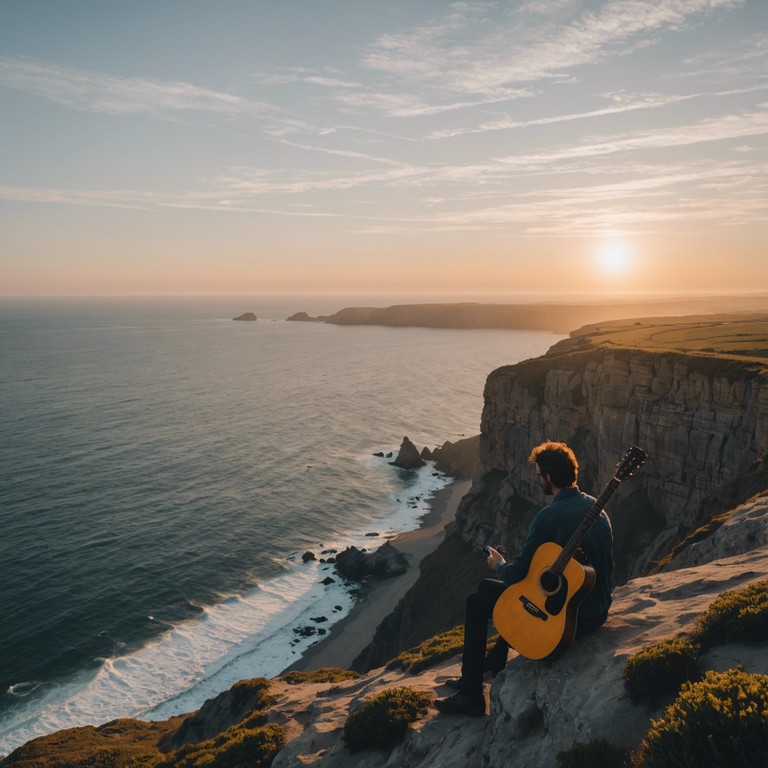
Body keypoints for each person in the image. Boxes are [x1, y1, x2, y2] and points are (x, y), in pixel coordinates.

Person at [434, 441, 614, 717]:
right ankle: (494, 659)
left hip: (567, 623)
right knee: (487, 589)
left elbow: (518, 575)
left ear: (549, 478)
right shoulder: (597, 510)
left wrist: (499, 564)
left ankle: (470, 694)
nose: (537, 479)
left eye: (539, 474)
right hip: (596, 610)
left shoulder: (549, 516)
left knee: (475, 602)